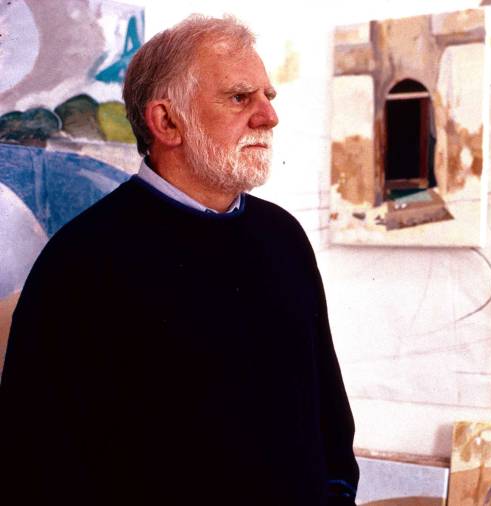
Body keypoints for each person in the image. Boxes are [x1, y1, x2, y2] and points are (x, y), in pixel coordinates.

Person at [0, 15, 359, 505]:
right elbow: (38, 462)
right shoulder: (81, 265)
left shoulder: (284, 237)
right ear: (166, 122)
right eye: (239, 97)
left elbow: (328, 414)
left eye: (267, 97)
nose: (267, 116)